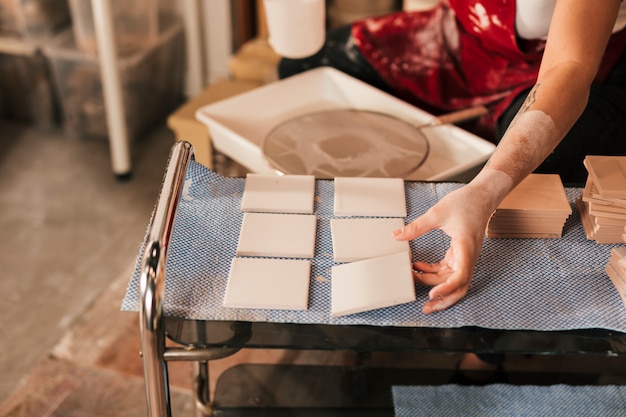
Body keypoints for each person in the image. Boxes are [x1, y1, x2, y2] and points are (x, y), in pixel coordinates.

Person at [279, 0, 626, 316]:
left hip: (572, 66)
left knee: (536, 186)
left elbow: (569, 66)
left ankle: (488, 355)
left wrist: (485, 191)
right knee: (302, 64)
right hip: (469, 40)